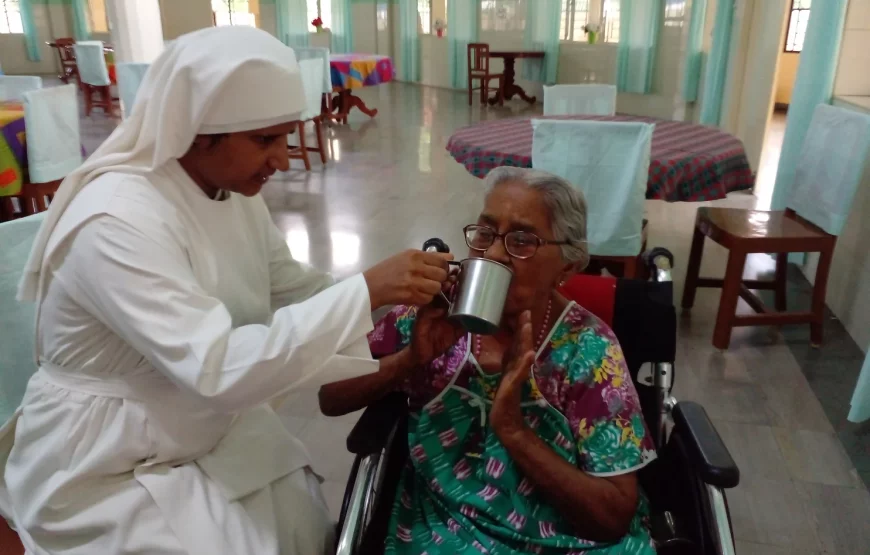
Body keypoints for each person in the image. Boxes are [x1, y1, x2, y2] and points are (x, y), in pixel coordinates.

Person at [0, 27, 452, 555]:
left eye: (287, 136)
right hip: (103, 454)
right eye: (265, 141)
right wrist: (364, 291)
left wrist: (390, 296)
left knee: (300, 520)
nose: (282, 160)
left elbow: (291, 287)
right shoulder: (116, 219)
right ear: (197, 133)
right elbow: (214, 370)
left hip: (194, 421)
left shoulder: (228, 190)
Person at [320, 167, 658, 554]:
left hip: (569, 541)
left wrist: (514, 432)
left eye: (522, 240)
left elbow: (612, 518)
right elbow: (330, 397)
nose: (494, 253)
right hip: (447, 528)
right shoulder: (432, 313)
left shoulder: (588, 350)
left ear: (568, 266)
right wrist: (410, 359)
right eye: (485, 234)